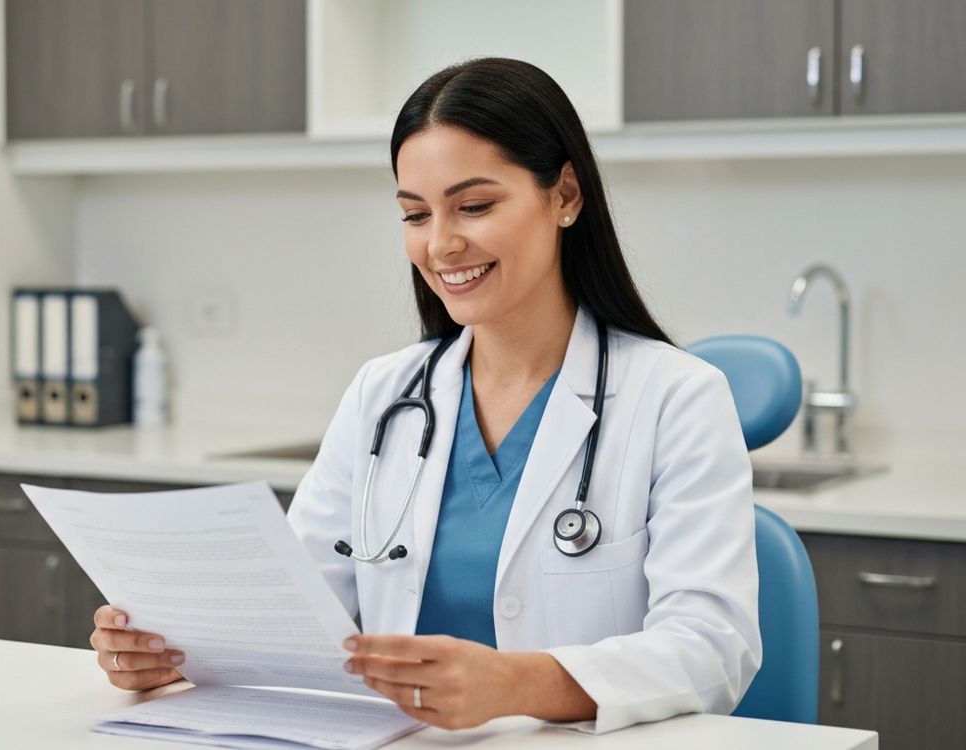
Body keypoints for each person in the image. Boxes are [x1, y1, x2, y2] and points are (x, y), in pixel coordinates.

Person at [88, 58, 760, 735]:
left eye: (474, 206)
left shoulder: (677, 398)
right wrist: (176, 654)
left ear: (565, 196)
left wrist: (516, 683)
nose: (441, 244)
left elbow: (713, 648)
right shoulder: (386, 394)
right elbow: (297, 613)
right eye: (415, 214)